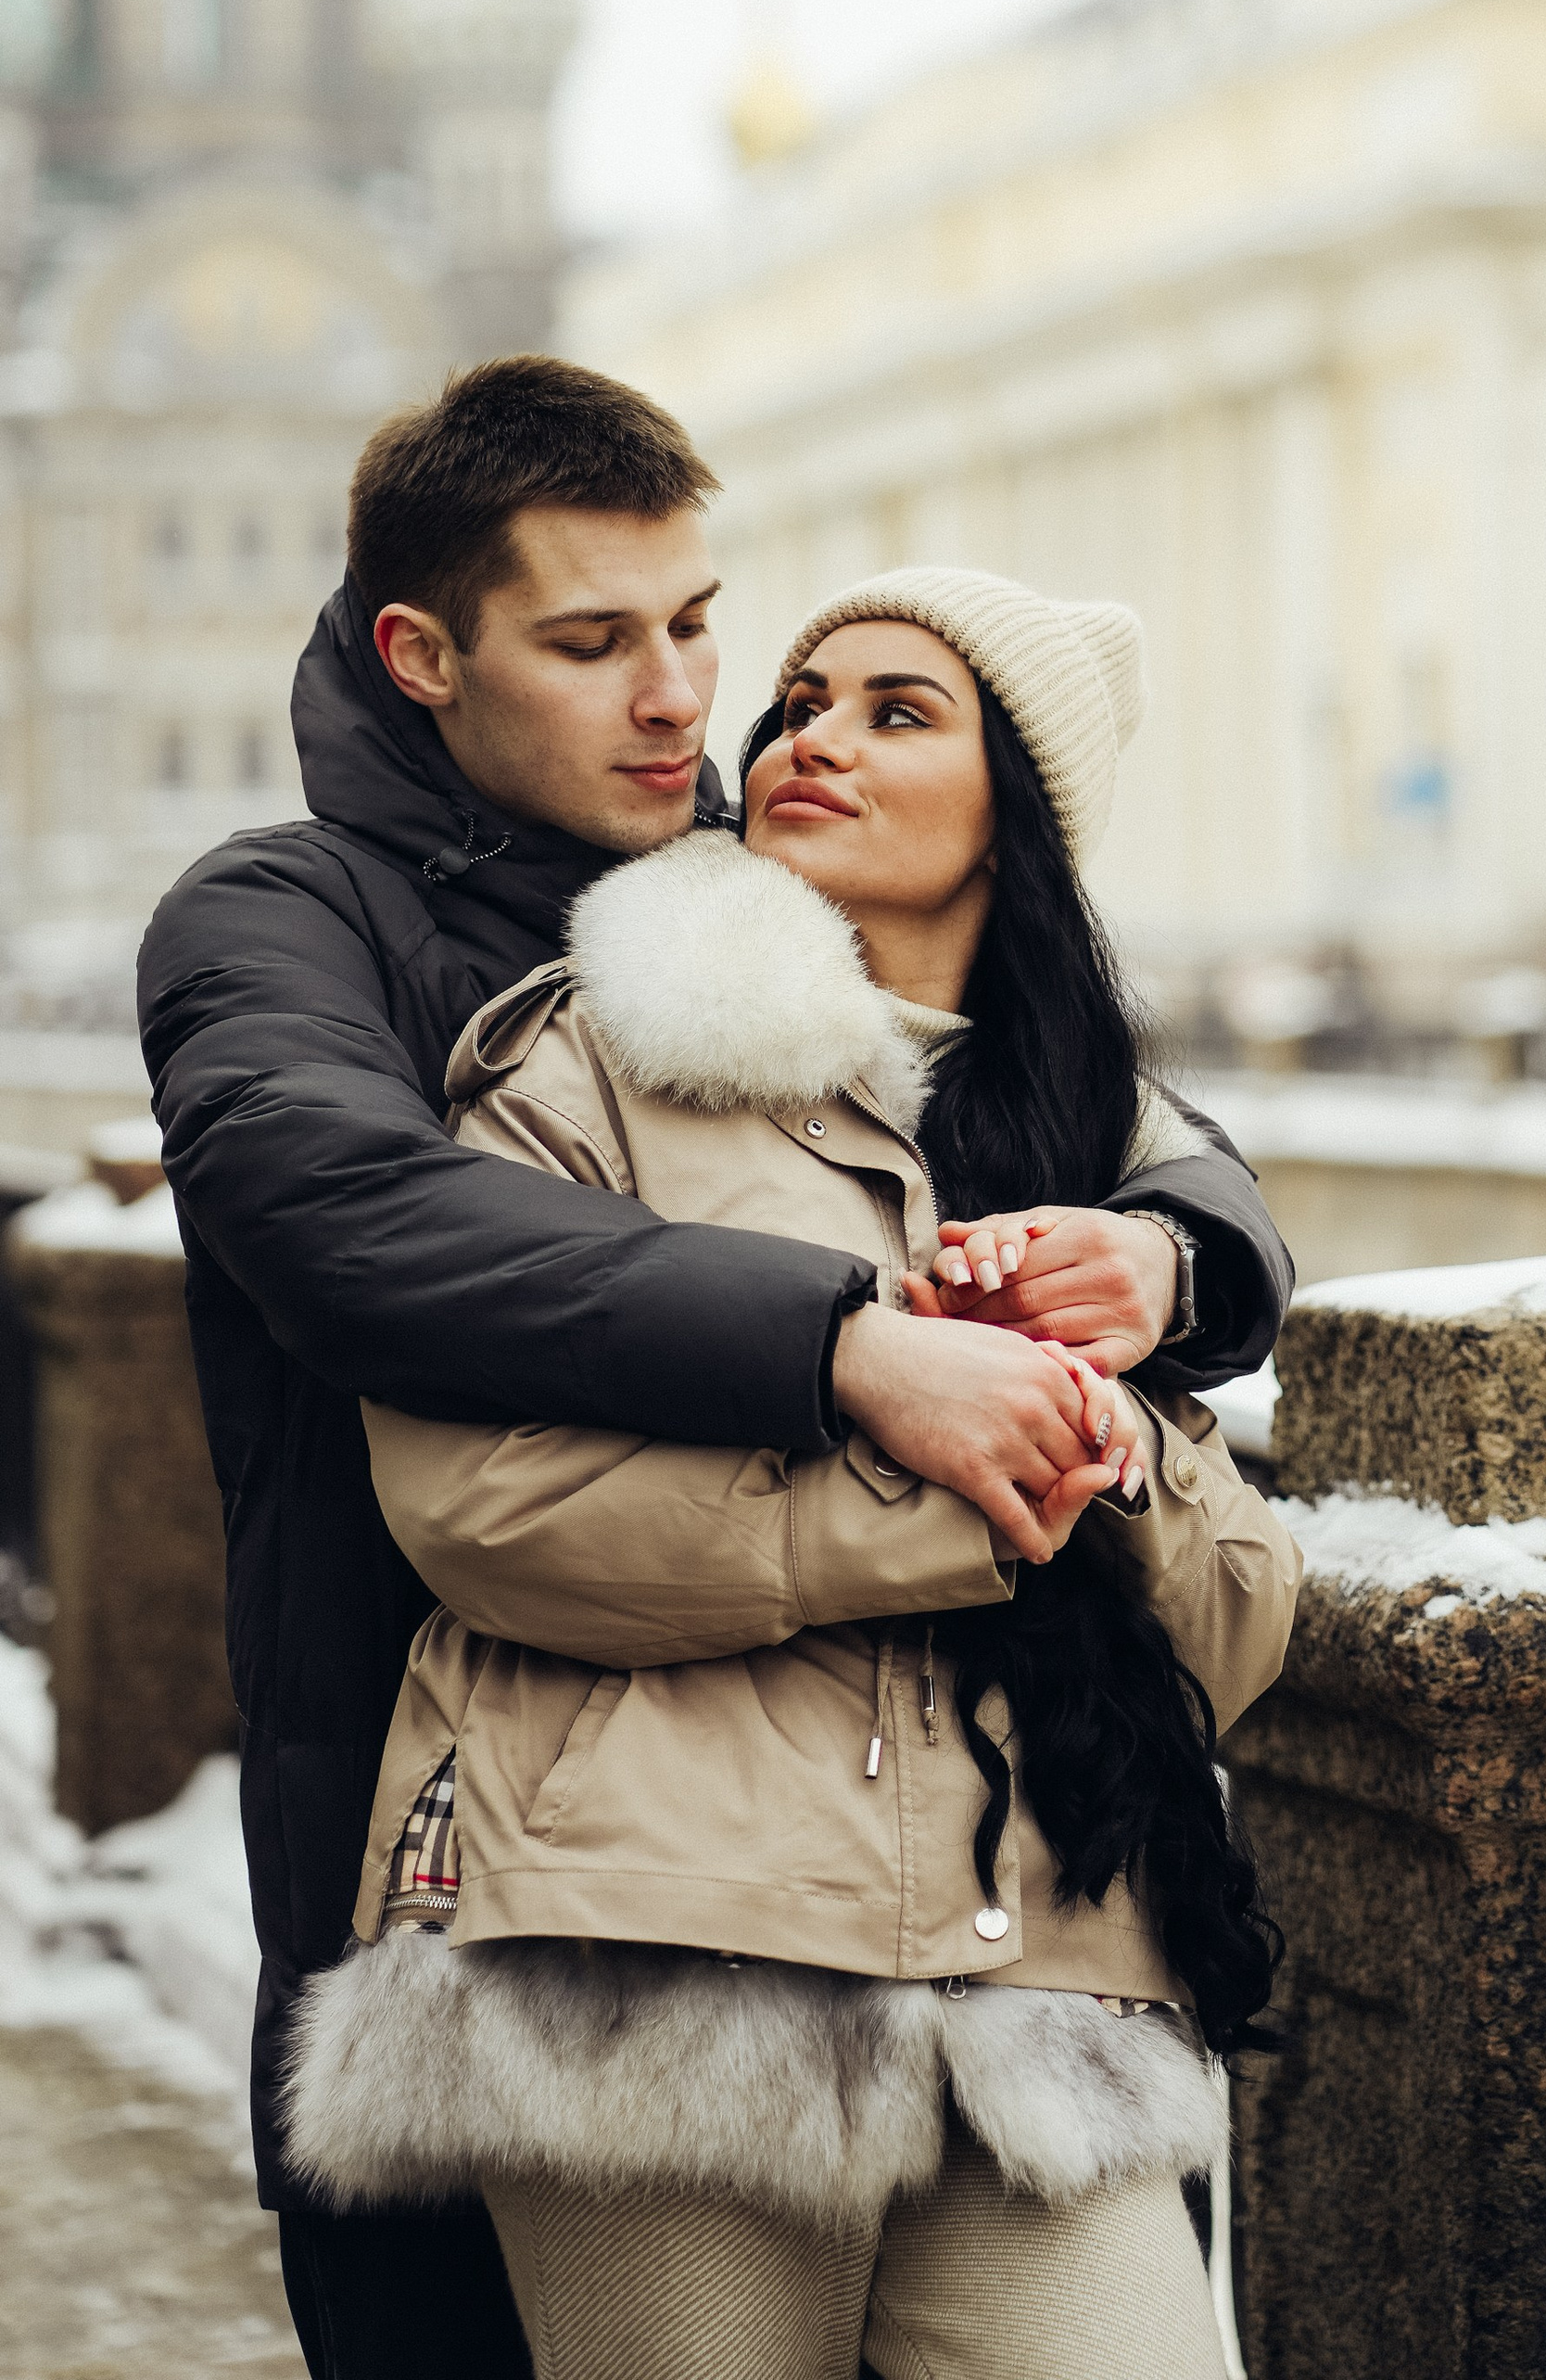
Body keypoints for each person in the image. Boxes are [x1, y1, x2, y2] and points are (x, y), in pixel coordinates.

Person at [136, 365, 1293, 2380]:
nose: (686, 702)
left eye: (694, 626)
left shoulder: (791, 928)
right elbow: (344, 1218)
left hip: (998, 1926)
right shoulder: (295, 921)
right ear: (424, 655)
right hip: (551, 1877)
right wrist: (862, 1359)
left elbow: (1120, 1132)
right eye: (594, 643)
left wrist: (1181, 1255)